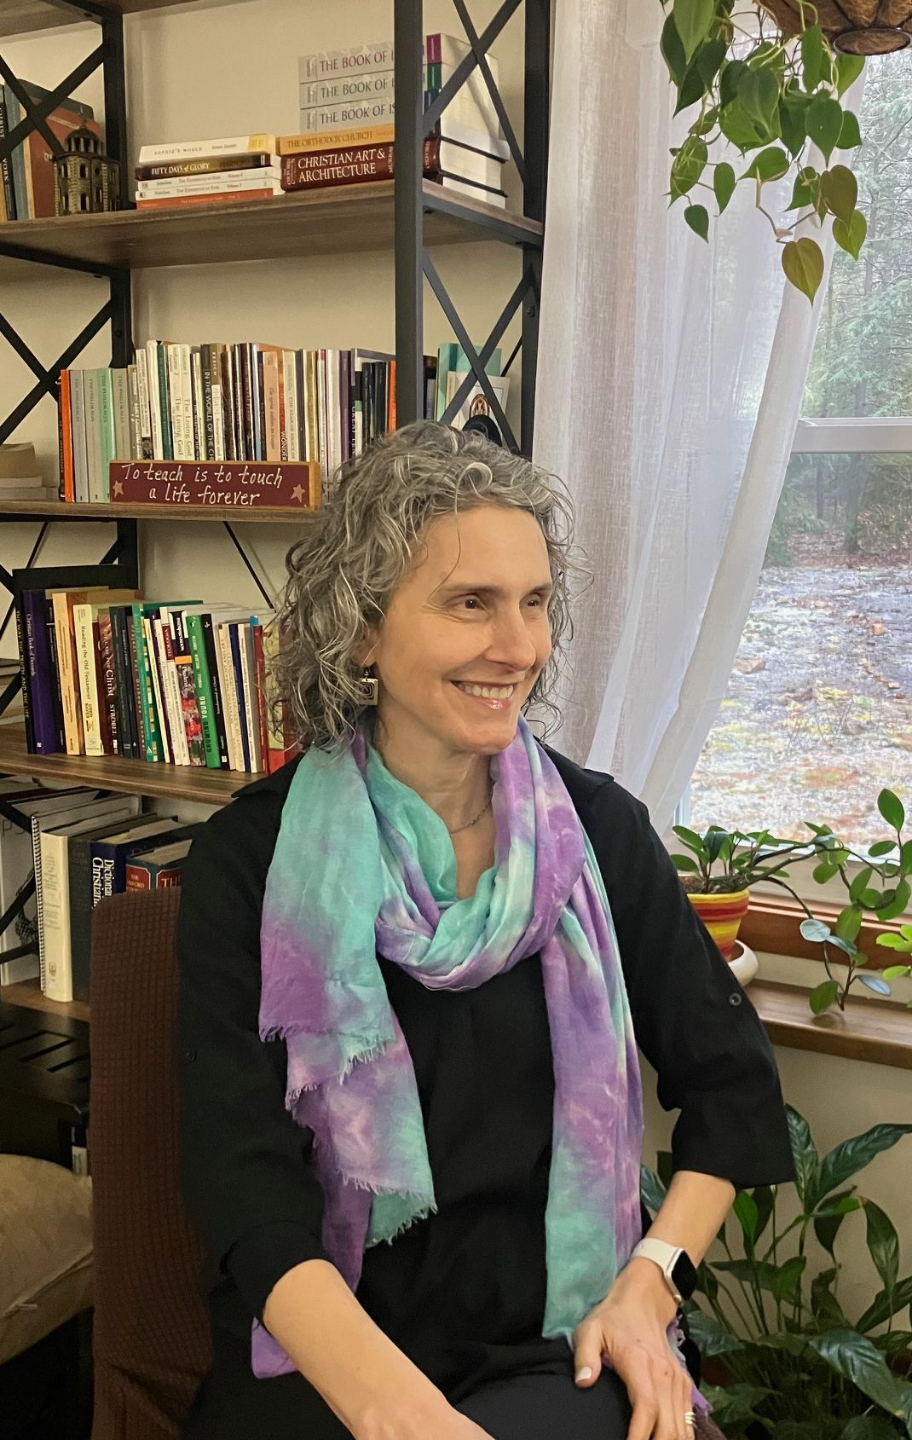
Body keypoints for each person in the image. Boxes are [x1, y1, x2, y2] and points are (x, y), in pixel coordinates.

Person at [177, 421, 794, 1440]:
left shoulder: (600, 837)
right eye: (471, 602)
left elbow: (734, 1089)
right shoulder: (250, 863)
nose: (518, 647)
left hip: (552, 1342)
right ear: (361, 629)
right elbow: (240, 1182)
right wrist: (394, 1410)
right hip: (327, 1356)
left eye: (534, 602)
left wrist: (648, 1283)